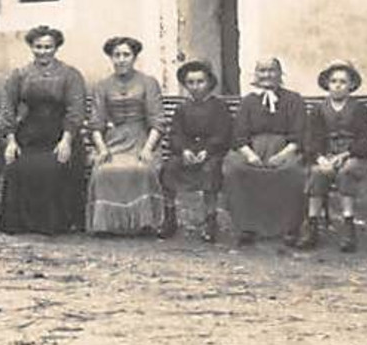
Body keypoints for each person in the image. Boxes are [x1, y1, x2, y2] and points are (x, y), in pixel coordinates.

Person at [0, 25, 87, 235]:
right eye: (38, 47)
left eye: (48, 47)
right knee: (17, 167)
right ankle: (20, 223)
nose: (43, 52)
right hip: (29, 133)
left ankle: (54, 223)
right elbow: (7, 107)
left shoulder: (70, 75)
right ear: (31, 48)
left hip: (60, 132)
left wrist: (66, 141)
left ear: (56, 48)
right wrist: (11, 141)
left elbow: (76, 110)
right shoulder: (20, 74)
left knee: (54, 167)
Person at [222, 57, 308, 246]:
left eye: (272, 70)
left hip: (285, 149)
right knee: (235, 169)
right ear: (256, 75)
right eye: (262, 71)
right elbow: (239, 135)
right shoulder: (248, 102)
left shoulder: (293, 100)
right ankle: (247, 226)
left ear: (280, 74)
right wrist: (250, 155)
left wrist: (283, 155)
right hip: (253, 150)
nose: (267, 75)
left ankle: (289, 227)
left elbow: (299, 134)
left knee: (292, 171)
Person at [86, 36, 165, 235]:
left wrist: (148, 148)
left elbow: (157, 120)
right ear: (111, 58)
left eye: (126, 55)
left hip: (140, 138)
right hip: (113, 140)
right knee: (104, 170)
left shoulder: (148, 82)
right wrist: (102, 148)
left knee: (141, 169)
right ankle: (106, 225)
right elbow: (96, 122)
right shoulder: (102, 86)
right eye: (116, 55)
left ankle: (143, 222)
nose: (121, 59)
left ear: (134, 57)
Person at [299, 60, 367, 253]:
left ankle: (348, 226)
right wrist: (319, 157)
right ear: (327, 84)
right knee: (316, 173)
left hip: (355, 158)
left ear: (351, 85)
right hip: (327, 156)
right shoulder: (319, 110)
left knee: (346, 172)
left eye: (343, 81)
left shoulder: (359, 109)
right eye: (333, 81)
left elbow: (366, 140)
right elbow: (311, 138)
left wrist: (347, 154)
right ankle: (312, 225)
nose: (338, 85)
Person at [160, 60, 233, 243]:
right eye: (190, 83)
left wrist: (207, 151)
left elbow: (223, 134)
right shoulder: (182, 108)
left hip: (211, 153)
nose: (196, 87)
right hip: (187, 153)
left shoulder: (218, 107)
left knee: (210, 171)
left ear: (209, 83)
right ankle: (170, 216)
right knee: (169, 168)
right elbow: (176, 134)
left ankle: (210, 219)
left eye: (200, 82)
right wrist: (184, 150)